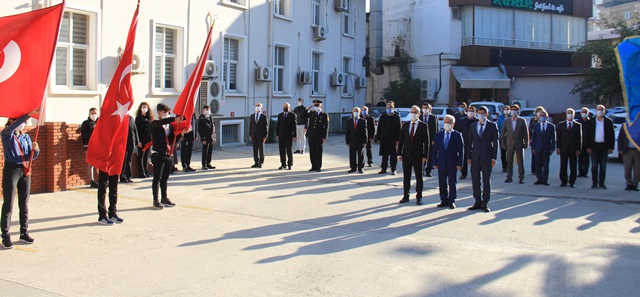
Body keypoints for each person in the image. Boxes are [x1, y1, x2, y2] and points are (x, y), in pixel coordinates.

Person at [1, 108, 40, 248]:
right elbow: (10, 129)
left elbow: (32, 156)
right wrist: (27, 114)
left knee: (24, 204)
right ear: (12, 121)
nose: (24, 123)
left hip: (25, 170)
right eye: (22, 121)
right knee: (8, 204)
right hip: (12, 169)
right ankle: (5, 236)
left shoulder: (26, 137)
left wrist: (36, 150)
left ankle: (24, 233)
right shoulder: (7, 135)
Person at [149, 103, 185, 209]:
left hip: (168, 154)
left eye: (168, 113)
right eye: (164, 113)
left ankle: (164, 198)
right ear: (159, 112)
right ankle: (155, 199)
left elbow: (172, 140)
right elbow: (161, 122)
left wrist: (181, 133)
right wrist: (174, 119)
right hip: (158, 155)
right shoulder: (155, 123)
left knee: (165, 178)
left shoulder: (169, 126)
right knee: (157, 178)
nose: (166, 115)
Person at [467, 106, 498, 212]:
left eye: (482, 113)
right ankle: (477, 201)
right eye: (479, 113)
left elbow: (495, 143)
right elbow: (469, 142)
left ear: (487, 114)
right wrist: (468, 157)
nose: (480, 115)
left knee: (486, 181)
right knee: (475, 181)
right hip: (475, 157)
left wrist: (494, 158)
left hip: (487, 157)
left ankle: (485, 202)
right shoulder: (473, 126)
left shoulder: (492, 126)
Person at [397, 106, 430, 205]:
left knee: (419, 177)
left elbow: (426, 142)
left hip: (418, 156)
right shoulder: (405, 125)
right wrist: (399, 153)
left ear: (419, 114)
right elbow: (401, 141)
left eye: (415, 112)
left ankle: (419, 197)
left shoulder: (423, 126)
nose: (413, 114)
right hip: (406, 155)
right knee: (406, 177)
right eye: (411, 112)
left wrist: (425, 156)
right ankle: (406, 196)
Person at [432, 115, 463, 209]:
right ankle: (443, 199)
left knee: (452, 182)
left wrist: (459, 163)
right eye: (445, 122)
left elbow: (461, 150)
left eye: (448, 122)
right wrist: (434, 162)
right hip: (441, 162)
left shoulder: (457, 135)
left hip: (452, 162)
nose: (446, 124)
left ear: (453, 124)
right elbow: (435, 150)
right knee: (442, 182)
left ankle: (451, 200)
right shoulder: (439, 135)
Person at [586, 105, 615, 189]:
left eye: (602, 110)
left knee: (603, 166)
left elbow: (611, 135)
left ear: (604, 111)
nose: (600, 111)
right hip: (594, 146)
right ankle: (594, 182)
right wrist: (588, 147)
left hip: (604, 147)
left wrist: (611, 147)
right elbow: (587, 135)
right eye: (598, 109)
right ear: (596, 110)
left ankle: (602, 183)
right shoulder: (591, 121)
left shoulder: (608, 121)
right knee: (594, 165)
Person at [501, 104, 529, 184]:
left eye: (515, 110)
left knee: (520, 161)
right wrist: (503, 144)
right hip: (509, 143)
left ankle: (521, 177)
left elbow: (525, 133)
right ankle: (509, 177)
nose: (513, 111)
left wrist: (526, 143)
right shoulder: (506, 121)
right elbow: (502, 133)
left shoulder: (522, 121)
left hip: (519, 143)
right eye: (512, 110)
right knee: (509, 161)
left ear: (518, 111)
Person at [556, 108, 582, 188]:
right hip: (563, 148)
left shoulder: (578, 125)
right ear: (566, 114)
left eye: (571, 113)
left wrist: (579, 149)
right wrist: (558, 147)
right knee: (563, 165)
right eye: (568, 113)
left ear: (574, 115)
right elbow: (558, 137)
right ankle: (563, 181)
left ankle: (572, 181)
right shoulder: (561, 124)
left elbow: (579, 138)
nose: (570, 114)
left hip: (573, 149)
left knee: (573, 166)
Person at [375, 101, 401, 175]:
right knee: (384, 155)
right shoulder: (383, 116)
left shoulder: (396, 117)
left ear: (393, 108)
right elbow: (379, 128)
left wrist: (398, 140)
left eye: (390, 107)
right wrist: (378, 138)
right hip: (384, 139)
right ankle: (383, 169)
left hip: (393, 139)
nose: (389, 109)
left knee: (393, 155)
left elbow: (399, 129)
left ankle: (393, 169)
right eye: (387, 107)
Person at [531, 110, 556, 186]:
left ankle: (545, 179)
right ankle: (539, 178)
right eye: (541, 116)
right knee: (538, 164)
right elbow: (534, 137)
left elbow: (553, 138)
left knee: (545, 164)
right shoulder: (536, 126)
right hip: (538, 148)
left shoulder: (551, 126)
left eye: (544, 116)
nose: (542, 117)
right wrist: (533, 148)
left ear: (547, 117)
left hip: (546, 148)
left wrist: (552, 148)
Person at [306, 100, 329, 172]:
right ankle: (313, 166)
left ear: (321, 106)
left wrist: (324, 137)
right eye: (315, 105)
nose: (316, 107)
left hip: (319, 135)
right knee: (312, 151)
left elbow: (326, 127)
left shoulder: (324, 115)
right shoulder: (312, 113)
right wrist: (307, 109)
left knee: (318, 151)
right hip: (311, 135)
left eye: (317, 105)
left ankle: (318, 166)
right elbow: (303, 115)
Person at [455, 105, 477, 179]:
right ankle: (463, 173)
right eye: (469, 111)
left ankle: (474, 173)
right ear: (466, 112)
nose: (470, 113)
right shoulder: (462, 120)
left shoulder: (477, 121)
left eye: (472, 111)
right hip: (464, 141)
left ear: (475, 113)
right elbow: (458, 131)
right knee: (464, 158)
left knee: (474, 159)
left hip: (474, 143)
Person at [346, 107, 368, 173]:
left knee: (360, 155)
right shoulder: (349, 121)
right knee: (352, 155)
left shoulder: (363, 121)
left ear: (359, 112)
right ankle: (353, 168)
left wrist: (365, 141)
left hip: (360, 141)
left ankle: (360, 168)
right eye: (354, 111)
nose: (355, 112)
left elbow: (365, 132)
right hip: (352, 141)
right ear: (352, 112)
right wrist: (347, 141)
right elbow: (347, 132)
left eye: (357, 111)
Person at [81, 108, 99, 187]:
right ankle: (91, 180)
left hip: (99, 145)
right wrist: (92, 129)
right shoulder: (86, 123)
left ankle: (100, 179)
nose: (94, 115)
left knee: (99, 163)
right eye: (92, 113)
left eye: (95, 113)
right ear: (89, 114)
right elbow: (84, 135)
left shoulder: (100, 122)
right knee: (91, 163)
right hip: (89, 146)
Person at [276, 102, 297, 170]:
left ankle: (290, 164)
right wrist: (277, 134)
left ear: (289, 108)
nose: (285, 107)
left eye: (287, 106)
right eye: (284, 106)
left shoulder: (292, 115)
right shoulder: (280, 115)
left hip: (289, 135)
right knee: (282, 150)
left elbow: (294, 126)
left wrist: (294, 135)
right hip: (281, 135)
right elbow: (278, 125)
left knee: (289, 150)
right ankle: (283, 164)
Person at [619, 125, 640, 191]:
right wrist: (620, 148)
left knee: (638, 169)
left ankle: (635, 184)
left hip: (637, 151)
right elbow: (620, 137)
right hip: (627, 150)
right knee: (627, 168)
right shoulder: (625, 125)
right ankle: (629, 183)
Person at [135, 102, 153, 178]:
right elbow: (136, 130)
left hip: (148, 140)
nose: (144, 108)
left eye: (146, 107)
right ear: (140, 108)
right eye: (143, 107)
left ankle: (146, 171)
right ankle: (141, 172)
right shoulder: (138, 118)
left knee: (146, 156)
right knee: (141, 156)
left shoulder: (149, 118)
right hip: (141, 140)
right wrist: (137, 141)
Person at [120, 114, 140, 183]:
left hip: (132, 142)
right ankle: (122, 176)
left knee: (129, 160)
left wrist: (137, 141)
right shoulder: (121, 118)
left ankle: (128, 176)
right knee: (124, 160)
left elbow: (135, 130)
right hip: (123, 142)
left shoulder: (131, 118)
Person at [421, 103, 438, 177]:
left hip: (430, 139)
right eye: (423, 107)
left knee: (430, 155)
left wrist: (434, 139)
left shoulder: (433, 117)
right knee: (421, 155)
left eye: (426, 108)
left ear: (429, 109)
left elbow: (435, 129)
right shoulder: (420, 116)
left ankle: (428, 171)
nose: (425, 109)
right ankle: (421, 170)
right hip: (421, 139)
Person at [197, 105, 217, 170]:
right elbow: (200, 130)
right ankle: (204, 164)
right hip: (205, 137)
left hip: (210, 137)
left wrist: (214, 137)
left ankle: (208, 163)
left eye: (208, 109)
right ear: (203, 110)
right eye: (206, 109)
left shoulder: (210, 117)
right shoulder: (201, 118)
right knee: (205, 151)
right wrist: (203, 138)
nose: (208, 111)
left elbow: (213, 128)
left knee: (210, 151)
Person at [250, 102, 268, 168]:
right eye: (256, 106)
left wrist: (265, 136)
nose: (257, 107)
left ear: (261, 108)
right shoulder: (252, 116)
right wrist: (250, 134)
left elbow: (265, 127)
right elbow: (251, 126)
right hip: (253, 135)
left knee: (261, 149)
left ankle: (261, 162)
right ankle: (256, 162)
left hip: (261, 135)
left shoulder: (264, 116)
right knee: (255, 149)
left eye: (259, 106)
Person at [528, 106, 545, 175]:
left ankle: (542, 168)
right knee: (534, 154)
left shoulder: (543, 119)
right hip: (534, 139)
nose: (539, 113)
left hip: (542, 139)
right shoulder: (533, 120)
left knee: (542, 155)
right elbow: (529, 130)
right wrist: (530, 139)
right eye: (538, 111)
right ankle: (534, 169)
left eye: (540, 111)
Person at [576, 107, 592, 177]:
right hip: (580, 144)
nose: (584, 113)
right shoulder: (578, 122)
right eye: (582, 112)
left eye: (585, 112)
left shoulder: (591, 122)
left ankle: (585, 172)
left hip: (587, 144)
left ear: (588, 113)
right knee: (580, 159)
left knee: (586, 159)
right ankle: (580, 172)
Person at [497, 105, 510, 172]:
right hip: (502, 137)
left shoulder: (511, 117)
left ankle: (509, 166)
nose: (506, 110)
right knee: (503, 152)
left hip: (510, 137)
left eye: (507, 109)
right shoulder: (500, 117)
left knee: (510, 152)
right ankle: (504, 166)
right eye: (505, 109)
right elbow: (498, 126)